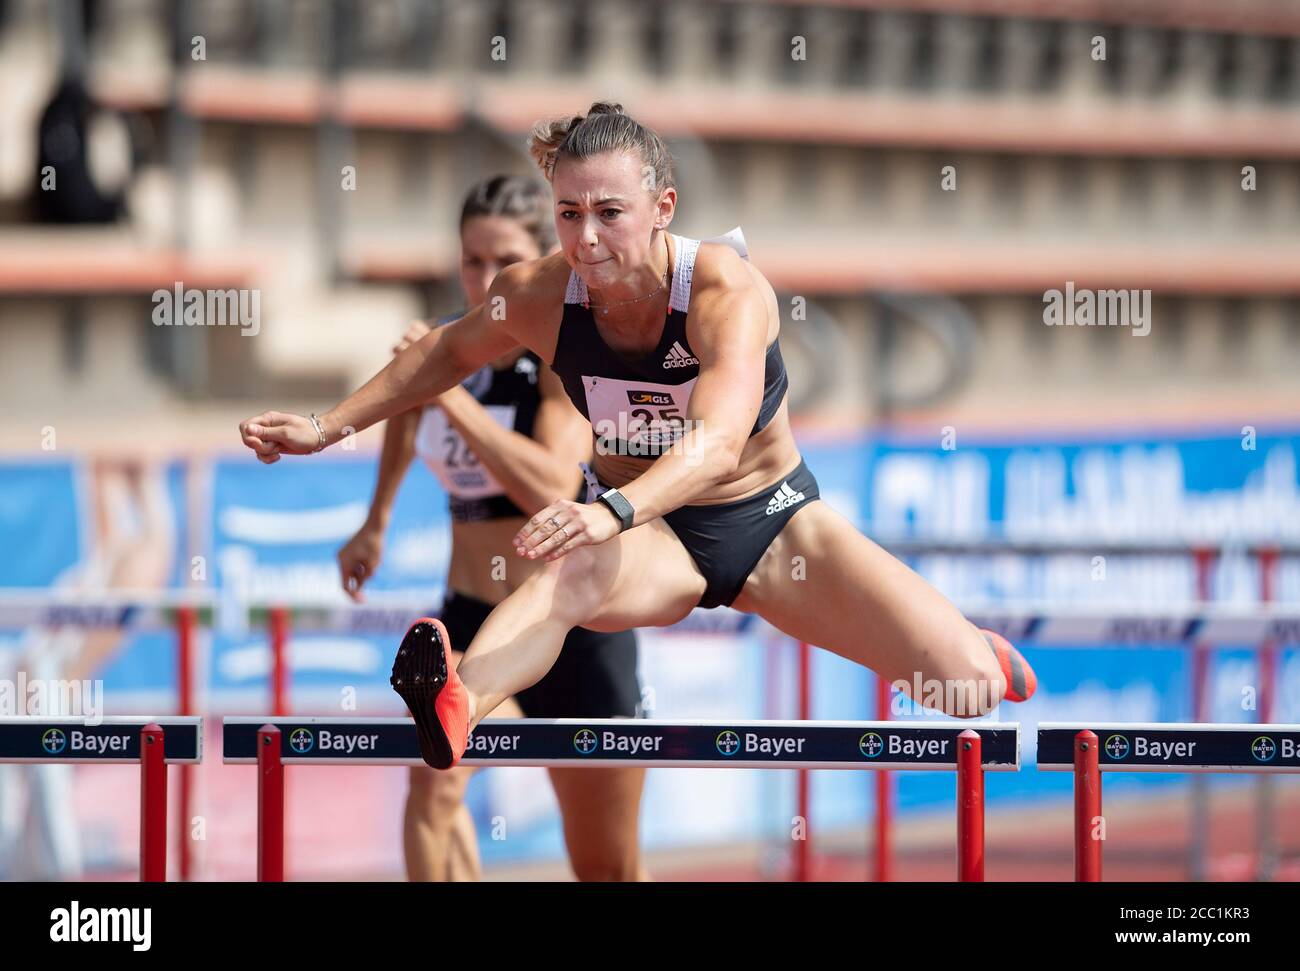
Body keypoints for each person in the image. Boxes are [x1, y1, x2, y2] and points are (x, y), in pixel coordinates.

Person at [240, 102, 1037, 773]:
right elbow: (444, 353)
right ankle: (458, 702)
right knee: (569, 578)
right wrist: (323, 425)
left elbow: (718, 443)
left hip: (771, 522)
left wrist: (612, 507)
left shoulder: (727, 290)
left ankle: (980, 651)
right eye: (568, 214)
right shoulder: (541, 295)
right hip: (654, 537)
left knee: (963, 686)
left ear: (664, 208)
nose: (585, 240)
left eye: (608, 213)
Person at [334, 174, 647, 880]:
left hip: (570, 625)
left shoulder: (559, 357)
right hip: (472, 615)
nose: (483, 280)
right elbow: (403, 415)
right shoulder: (447, 346)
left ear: (540, 262)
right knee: (433, 789)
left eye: (501, 261)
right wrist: (375, 520)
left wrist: (450, 396)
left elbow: (552, 484)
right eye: (469, 261)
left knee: (608, 866)